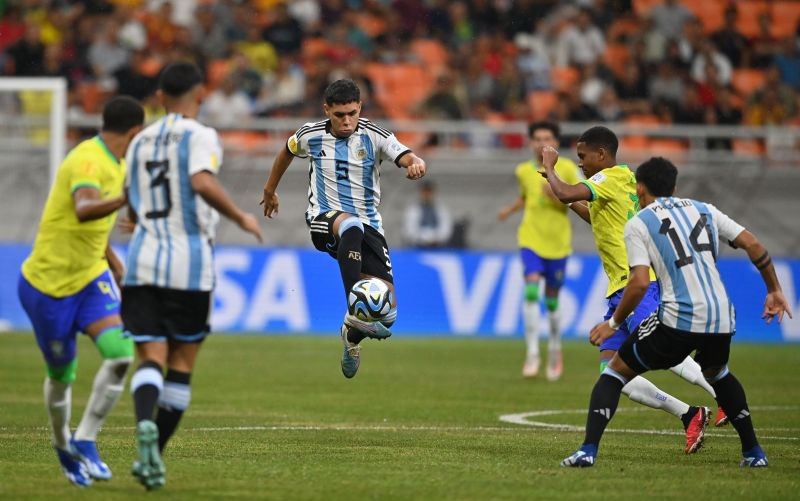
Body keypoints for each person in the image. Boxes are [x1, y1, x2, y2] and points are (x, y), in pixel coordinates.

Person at [562, 157, 793, 467]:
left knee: (614, 372)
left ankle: (587, 451)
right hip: (721, 313)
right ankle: (754, 453)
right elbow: (753, 245)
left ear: (639, 187)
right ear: (674, 186)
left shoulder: (639, 223)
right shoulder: (705, 209)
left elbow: (640, 282)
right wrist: (775, 290)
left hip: (678, 315)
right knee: (719, 373)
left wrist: (613, 323)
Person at [123, 62, 263, 490]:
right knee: (181, 364)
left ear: (160, 96)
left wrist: (140, 218)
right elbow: (200, 182)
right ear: (200, 94)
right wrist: (239, 215)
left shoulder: (139, 139)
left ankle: (145, 423)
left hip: (143, 260)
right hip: (191, 265)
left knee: (150, 358)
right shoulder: (201, 136)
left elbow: (131, 202)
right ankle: (155, 454)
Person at [540, 126, 722, 454]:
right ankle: (689, 414)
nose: (580, 163)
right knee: (611, 370)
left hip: (636, 282)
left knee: (662, 349)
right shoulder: (621, 179)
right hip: (619, 287)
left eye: (583, 157)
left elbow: (567, 192)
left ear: (602, 155)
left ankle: (723, 393)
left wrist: (552, 169)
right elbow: (592, 216)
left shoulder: (606, 178)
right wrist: (561, 192)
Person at [260, 78, 427, 379]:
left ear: (360, 107)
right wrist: (270, 190)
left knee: (387, 313)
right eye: (339, 115)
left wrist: (416, 164)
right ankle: (354, 304)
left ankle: (350, 338)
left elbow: (406, 155)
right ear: (327, 110)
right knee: (350, 224)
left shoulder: (375, 134)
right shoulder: (310, 135)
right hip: (325, 218)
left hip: (370, 225)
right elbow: (286, 150)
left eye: (352, 113)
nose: (347, 120)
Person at [17, 96, 145, 487]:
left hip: (91, 278)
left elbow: (93, 227)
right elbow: (84, 209)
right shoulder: (87, 160)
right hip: (47, 285)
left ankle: (86, 439)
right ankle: (63, 445)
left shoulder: (119, 163)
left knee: (121, 354)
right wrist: (125, 199)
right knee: (62, 375)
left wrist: (111, 259)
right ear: (135, 132)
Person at [497, 121, 580, 380]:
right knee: (531, 291)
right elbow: (527, 196)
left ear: (556, 141)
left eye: (547, 137)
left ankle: (555, 348)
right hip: (530, 238)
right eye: (537, 138)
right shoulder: (523, 170)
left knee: (552, 299)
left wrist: (554, 192)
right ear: (530, 142)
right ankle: (532, 352)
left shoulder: (566, 168)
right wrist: (509, 210)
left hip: (557, 243)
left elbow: (575, 201)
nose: (542, 142)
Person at [403, 180, 453, 248]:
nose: (427, 194)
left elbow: (446, 230)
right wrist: (424, 239)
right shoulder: (413, 210)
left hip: (438, 249)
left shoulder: (441, 209)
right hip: (417, 249)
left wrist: (435, 239)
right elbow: (409, 231)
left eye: (429, 191)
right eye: (424, 191)